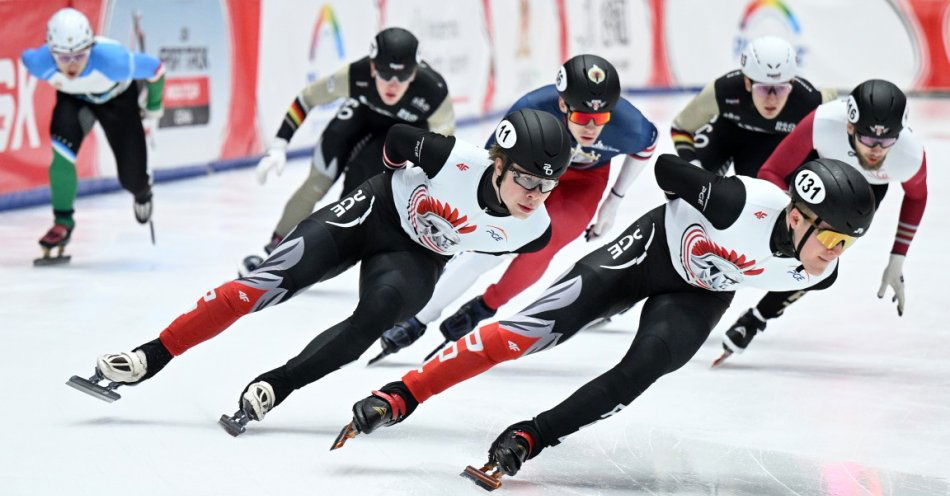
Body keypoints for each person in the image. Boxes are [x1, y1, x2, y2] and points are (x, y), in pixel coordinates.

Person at [336, 154, 876, 487]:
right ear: (799, 216)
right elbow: (667, 168)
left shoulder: (816, 273)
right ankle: (404, 393)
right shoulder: (739, 203)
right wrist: (695, 188)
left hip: (699, 294)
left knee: (644, 370)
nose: (837, 253)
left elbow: (785, 291)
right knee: (526, 332)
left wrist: (750, 321)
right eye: (832, 238)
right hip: (649, 252)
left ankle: (530, 437)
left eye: (849, 243)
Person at [68, 109, 572, 435]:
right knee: (263, 284)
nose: (535, 194)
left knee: (370, 322)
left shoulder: (535, 231)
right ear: (499, 163)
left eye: (548, 185)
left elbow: (477, 267)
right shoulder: (451, 159)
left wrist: (434, 308)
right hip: (372, 211)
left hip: (417, 258)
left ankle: (276, 386)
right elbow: (396, 141)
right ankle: (147, 357)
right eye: (527, 178)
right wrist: (388, 181)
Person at [368, 54, 657, 364]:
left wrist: (614, 199)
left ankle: (484, 307)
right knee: (490, 243)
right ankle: (419, 318)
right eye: (583, 118)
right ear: (562, 106)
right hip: (527, 177)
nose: (592, 128)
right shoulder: (530, 108)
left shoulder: (630, 125)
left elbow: (647, 147)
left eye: (601, 119)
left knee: (545, 243)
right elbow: (490, 163)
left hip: (583, 182)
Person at [720, 79, 928, 358]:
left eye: (887, 141)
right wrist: (788, 215)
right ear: (850, 126)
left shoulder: (909, 154)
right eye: (868, 138)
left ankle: (756, 319)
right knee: (787, 240)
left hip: (866, 190)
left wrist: (898, 257)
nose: (876, 150)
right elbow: (771, 171)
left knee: (821, 259)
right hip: (817, 167)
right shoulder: (824, 122)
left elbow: (916, 197)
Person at [242, 27, 455, 273]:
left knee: (356, 195)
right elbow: (307, 98)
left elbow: (443, 145)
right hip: (360, 117)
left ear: (415, 72)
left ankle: (327, 252)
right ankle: (274, 249)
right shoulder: (357, 74)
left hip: (398, 134)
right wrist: (279, 144)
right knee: (317, 181)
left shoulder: (433, 90)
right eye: (385, 73)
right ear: (373, 67)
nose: (393, 85)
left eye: (404, 75)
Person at [21, 8, 165, 265]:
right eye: (63, 58)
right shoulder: (38, 63)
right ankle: (62, 222)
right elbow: (26, 56)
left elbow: (156, 69)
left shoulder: (115, 61)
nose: (72, 65)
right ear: (50, 51)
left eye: (80, 55)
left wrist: (154, 105)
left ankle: (142, 190)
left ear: (91, 47)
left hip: (118, 100)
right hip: (75, 101)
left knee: (131, 179)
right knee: (61, 156)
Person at [670, 36, 836, 176]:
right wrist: (692, 163)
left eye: (781, 89)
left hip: (779, 143)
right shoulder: (722, 92)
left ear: (792, 83)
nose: (772, 100)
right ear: (747, 83)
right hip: (732, 133)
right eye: (763, 89)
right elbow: (681, 128)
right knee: (687, 182)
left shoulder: (811, 101)